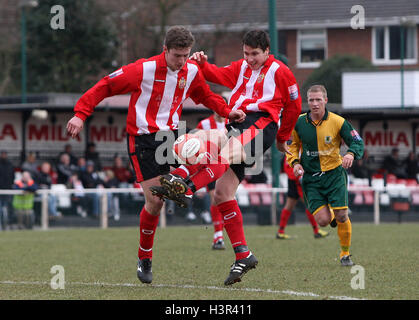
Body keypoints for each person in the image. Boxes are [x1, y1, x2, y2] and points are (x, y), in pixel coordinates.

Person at [66, 26, 245, 284]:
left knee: (212, 151)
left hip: (171, 137)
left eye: (185, 55)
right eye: (176, 56)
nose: (182, 61)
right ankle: (145, 256)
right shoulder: (143, 69)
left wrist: (227, 112)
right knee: (155, 203)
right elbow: (106, 85)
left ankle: (182, 183)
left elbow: (204, 95)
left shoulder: (191, 71)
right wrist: (81, 114)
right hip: (142, 141)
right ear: (165, 50)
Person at [153, 30, 302, 285]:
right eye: (246, 53)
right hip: (240, 124)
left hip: (262, 124)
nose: (250, 58)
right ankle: (244, 254)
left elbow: (294, 105)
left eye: (255, 54)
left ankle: (186, 188)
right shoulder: (241, 66)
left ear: (267, 50)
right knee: (222, 191)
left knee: (222, 150)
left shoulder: (280, 71)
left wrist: (282, 137)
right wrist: (202, 64)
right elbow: (218, 76)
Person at [287, 85, 364, 267]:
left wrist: (351, 154)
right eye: (311, 100)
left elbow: (356, 140)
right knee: (322, 221)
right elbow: (290, 145)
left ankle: (345, 254)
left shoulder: (338, 121)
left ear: (325, 101)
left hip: (334, 174)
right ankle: (334, 220)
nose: (314, 104)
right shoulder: (298, 122)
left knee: (342, 216)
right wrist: (295, 163)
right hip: (311, 178)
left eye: (318, 100)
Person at [276, 157, 329, 239]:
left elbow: (284, 168)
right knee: (308, 204)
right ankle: (316, 231)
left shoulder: (288, 152)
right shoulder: (295, 150)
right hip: (297, 181)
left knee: (289, 206)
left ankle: (280, 231)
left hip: (292, 180)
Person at [0, 151, 15, 230]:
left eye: (5, 154)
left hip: (8, 189)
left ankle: (9, 223)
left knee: (8, 207)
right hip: (0, 190)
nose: (3, 155)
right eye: (2, 154)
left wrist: (11, 185)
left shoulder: (10, 164)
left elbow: (12, 176)